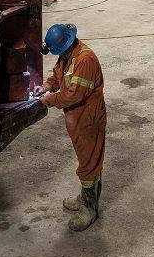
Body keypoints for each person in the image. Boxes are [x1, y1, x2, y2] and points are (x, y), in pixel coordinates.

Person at [33, 24, 107, 231]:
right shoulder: (67, 54)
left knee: (89, 163)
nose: (60, 55)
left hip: (88, 118)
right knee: (86, 159)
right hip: (76, 117)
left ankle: (89, 209)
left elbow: (75, 94)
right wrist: (46, 87)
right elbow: (58, 77)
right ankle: (85, 197)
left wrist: (49, 100)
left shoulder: (85, 60)